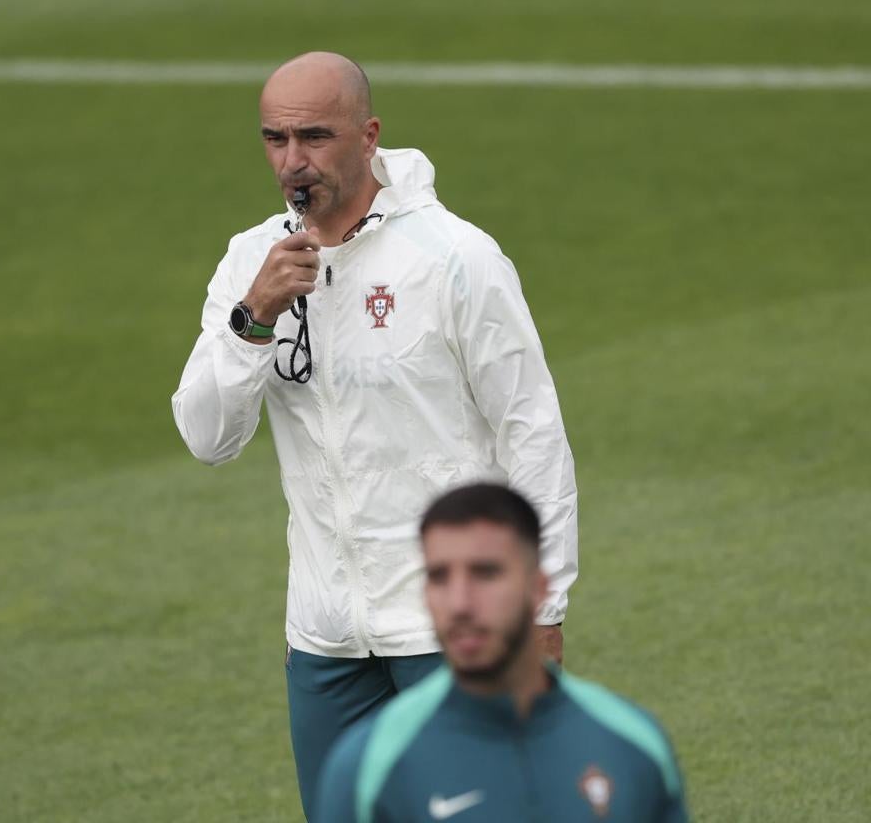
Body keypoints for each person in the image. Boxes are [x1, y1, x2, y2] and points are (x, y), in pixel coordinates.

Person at [171, 51, 578, 820]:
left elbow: (533, 433)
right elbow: (206, 437)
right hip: (326, 638)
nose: (294, 160)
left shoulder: (455, 260)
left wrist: (544, 609)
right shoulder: (250, 265)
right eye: (275, 139)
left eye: (316, 136)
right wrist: (252, 321)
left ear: (368, 136)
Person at [315, 484, 688, 823]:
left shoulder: (631, 742)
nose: (460, 604)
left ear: (539, 588)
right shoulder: (369, 765)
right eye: (440, 577)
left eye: (485, 573)